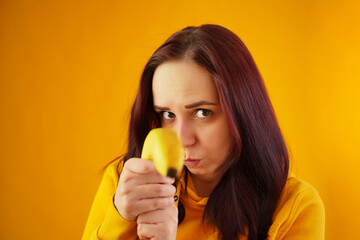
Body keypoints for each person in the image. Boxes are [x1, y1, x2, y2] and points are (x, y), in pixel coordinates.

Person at [82, 24, 325, 240]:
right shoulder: (124, 185)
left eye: (202, 113)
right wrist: (121, 218)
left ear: (244, 111)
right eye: (168, 114)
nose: (182, 140)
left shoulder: (294, 207)